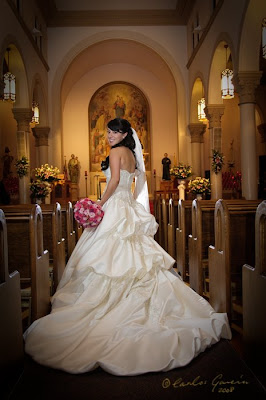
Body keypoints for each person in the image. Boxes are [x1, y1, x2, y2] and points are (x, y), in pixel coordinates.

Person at [24, 118, 231, 376]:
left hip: (114, 207)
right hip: (127, 207)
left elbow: (112, 184)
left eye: (114, 132)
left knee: (106, 259)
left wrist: (98, 204)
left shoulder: (114, 152)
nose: (110, 135)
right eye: (108, 131)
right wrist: (128, 202)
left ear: (124, 134)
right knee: (137, 258)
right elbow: (136, 184)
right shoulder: (132, 155)